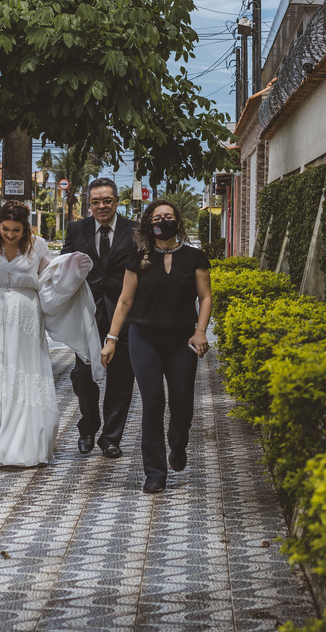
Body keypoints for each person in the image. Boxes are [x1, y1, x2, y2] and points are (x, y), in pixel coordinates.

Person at [0, 202, 100, 467]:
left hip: (25, 314)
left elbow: (51, 278)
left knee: (20, 376)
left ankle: (21, 444)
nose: (10, 235)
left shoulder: (38, 245)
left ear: (25, 228)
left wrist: (72, 270)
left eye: (16, 230)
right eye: (5, 229)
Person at [102, 199, 212, 493]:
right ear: (149, 224)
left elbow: (206, 297)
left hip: (181, 339)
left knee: (181, 403)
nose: (163, 221)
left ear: (178, 221)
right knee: (152, 402)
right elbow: (124, 301)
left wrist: (200, 332)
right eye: (157, 217)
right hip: (144, 338)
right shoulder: (138, 258)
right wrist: (111, 340)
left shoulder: (195, 257)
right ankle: (155, 472)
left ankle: (178, 442)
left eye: (169, 216)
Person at [62, 177, 139, 458]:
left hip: (124, 313)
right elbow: (64, 268)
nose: (101, 206)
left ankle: (111, 438)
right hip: (86, 314)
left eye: (107, 200)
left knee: (121, 378)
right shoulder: (76, 229)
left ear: (117, 201)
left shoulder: (134, 231)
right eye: (95, 201)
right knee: (82, 376)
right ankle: (88, 426)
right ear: (89, 204)